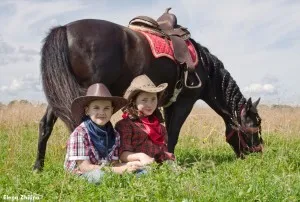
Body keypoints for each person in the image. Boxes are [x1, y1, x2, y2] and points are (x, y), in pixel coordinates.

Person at [64, 83, 144, 184]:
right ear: (87, 110)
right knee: (99, 176)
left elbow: (113, 164)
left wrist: (128, 166)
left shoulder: (114, 134)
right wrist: (118, 171)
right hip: (81, 175)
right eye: (96, 108)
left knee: (141, 171)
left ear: (112, 110)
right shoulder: (79, 133)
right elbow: (85, 167)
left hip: (107, 172)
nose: (102, 112)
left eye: (106, 108)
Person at [115, 75, 175, 166]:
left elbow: (162, 151)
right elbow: (122, 155)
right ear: (134, 101)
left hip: (158, 168)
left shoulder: (160, 127)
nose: (150, 104)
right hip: (136, 167)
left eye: (153, 99)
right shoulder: (125, 125)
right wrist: (141, 156)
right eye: (144, 100)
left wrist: (167, 156)